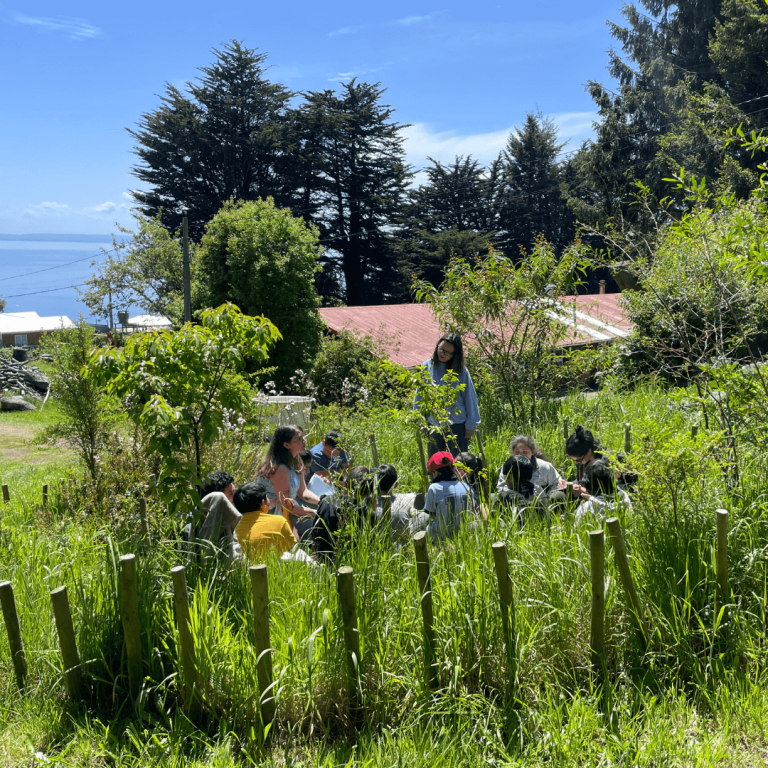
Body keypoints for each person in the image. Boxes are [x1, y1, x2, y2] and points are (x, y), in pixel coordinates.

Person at [414, 334, 481, 457]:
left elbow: (470, 398)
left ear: (455, 355)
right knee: (435, 461)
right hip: (434, 424)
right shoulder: (427, 366)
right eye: (441, 349)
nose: (443, 354)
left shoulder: (461, 371)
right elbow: (420, 396)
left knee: (458, 461)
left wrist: (471, 424)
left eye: (448, 353)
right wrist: (419, 420)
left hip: (457, 425)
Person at [255, 425, 320, 535]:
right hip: (272, 515)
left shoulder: (296, 460)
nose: (304, 440)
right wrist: (316, 513)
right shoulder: (280, 469)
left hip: (288, 508)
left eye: (303, 437)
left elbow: (303, 492)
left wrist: (323, 502)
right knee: (318, 524)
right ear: (286, 445)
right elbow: (287, 508)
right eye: (299, 438)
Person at [312, 465, 378, 563]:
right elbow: (370, 546)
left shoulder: (327, 501)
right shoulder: (370, 514)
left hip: (324, 561)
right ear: (370, 491)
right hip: (353, 564)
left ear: (346, 484)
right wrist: (371, 511)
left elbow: (315, 533)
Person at [410, 451, 471, 541]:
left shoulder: (434, 488)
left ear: (436, 472)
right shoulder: (465, 486)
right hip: (462, 534)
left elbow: (430, 514)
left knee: (417, 519)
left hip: (439, 536)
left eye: (432, 473)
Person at [233, 482, 297, 561]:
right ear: (263, 502)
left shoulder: (235, 528)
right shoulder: (279, 521)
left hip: (248, 567)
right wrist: (287, 513)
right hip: (275, 566)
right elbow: (294, 547)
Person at [495, 435, 567, 504]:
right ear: (513, 453)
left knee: (558, 496)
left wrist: (547, 496)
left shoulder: (545, 467)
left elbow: (557, 484)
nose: (521, 455)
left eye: (525, 452)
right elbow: (501, 487)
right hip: (513, 501)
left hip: (540, 502)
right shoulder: (507, 467)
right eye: (517, 452)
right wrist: (516, 494)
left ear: (532, 452)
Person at [573, 460, 632, 525]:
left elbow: (577, 527)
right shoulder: (625, 500)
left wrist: (589, 499)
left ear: (589, 485)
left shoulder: (587, 507)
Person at [497, 454, 547, 526]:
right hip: (539, 527)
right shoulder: (539, 490)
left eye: (506, 477)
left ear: (510, 477)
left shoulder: (504, 494)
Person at [455, 451, 489, 520]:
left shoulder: (466, 486)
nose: (453, 470)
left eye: (457, 468)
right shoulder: (477, 483)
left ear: (468, 471)